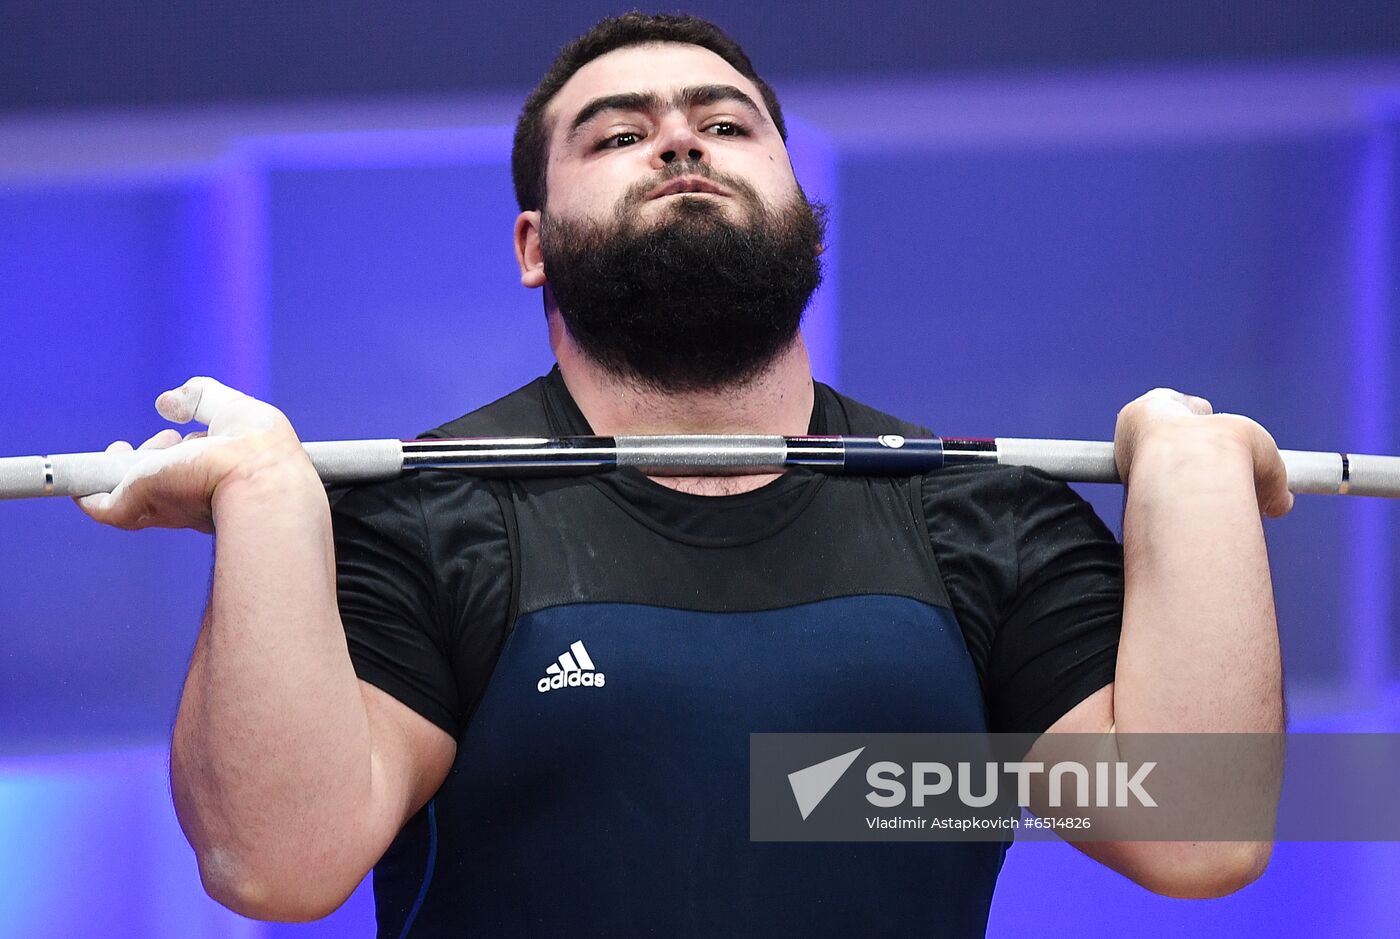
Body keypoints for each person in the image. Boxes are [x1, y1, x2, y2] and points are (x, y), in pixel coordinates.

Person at [77, 12, 1292, 937]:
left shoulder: (984, 516)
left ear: (801, 210)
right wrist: (272, 504)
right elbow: (277, 866)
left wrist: (1187, 476)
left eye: (724, 124)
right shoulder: (419, 521)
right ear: (532, 246)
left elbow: (1193, 828)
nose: (676, 141)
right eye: (617, 134)